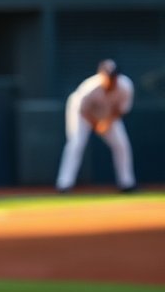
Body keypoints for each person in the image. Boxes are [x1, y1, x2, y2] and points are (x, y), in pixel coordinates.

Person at [56, 60, 135, 193]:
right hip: (83, 115)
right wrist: (96, 124)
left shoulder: (125, 86)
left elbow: (120, 110)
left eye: (113, 76)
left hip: (108, 116)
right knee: (76, 143)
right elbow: (83, 111)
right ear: (101, 75)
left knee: (122, 145)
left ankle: (127, 183)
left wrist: (106, 123)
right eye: (108, 75)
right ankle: (64, 184)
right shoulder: (90, 87)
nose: (111, 79)